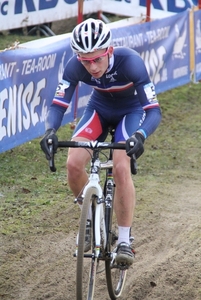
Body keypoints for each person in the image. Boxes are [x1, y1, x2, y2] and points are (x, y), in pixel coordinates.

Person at [40, 18, 162, 266]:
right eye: (86, 61)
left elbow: (154, 111)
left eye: (97, 59)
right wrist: (50, 131)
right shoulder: (75, 66)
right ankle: (91, 221)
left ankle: (125, 240)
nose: (92, 67)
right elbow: (58, 104)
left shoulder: (131, 63)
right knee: (73, 164)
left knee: (120, 166)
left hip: (131, 112)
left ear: (109, 50)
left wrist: (140, 136)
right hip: (99, 109)